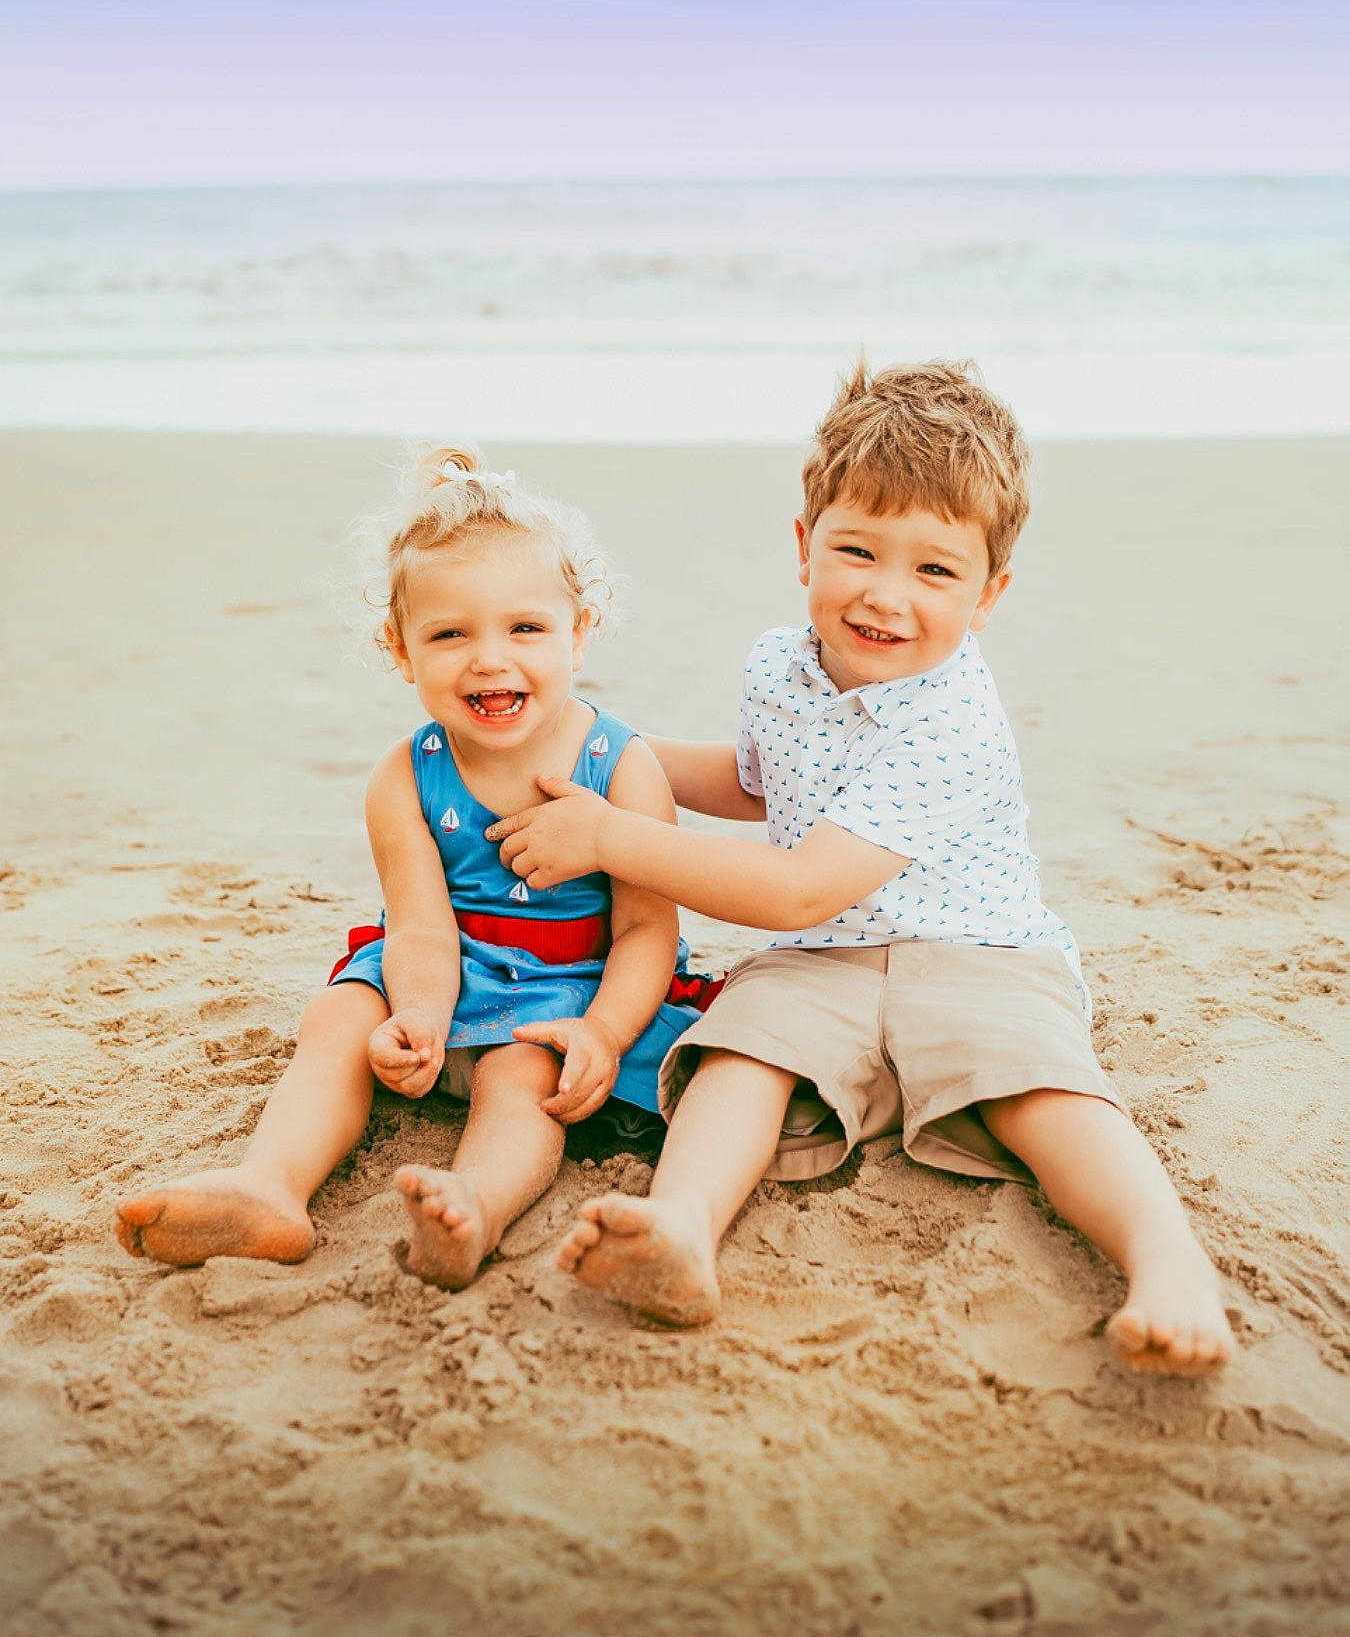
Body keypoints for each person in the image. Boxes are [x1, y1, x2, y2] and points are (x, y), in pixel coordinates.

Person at [489, 361, 1236, 1376]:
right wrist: (605, 752)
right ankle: (680, 1228)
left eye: (935, 570)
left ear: (988, 594)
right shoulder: (777, 666)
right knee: (738, 1053)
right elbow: (759, 784)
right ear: (804, 547)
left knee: (1043, 1091)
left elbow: (797, 882)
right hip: (823, 961)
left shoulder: (954, 722)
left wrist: (611, 836)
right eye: (857, 550)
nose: (887, 595)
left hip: (977, 953)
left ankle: (1167, 1263)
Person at [115, 448, 708, 1289]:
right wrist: (421, 1018)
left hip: (565, 987)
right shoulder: (406, 773)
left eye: (525, 628)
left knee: (519, 1075)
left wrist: (602, 1033)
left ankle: (473, 1207)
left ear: (579, 630)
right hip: (441, 965)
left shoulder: (622, 763)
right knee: (337, 1019)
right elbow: (421, 922)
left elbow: (650, 927)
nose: (490, 659)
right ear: (401, 649)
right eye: (450, 634)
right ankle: (270, 1186)